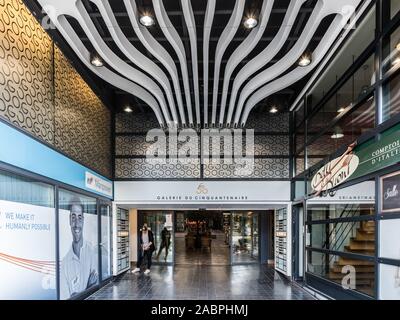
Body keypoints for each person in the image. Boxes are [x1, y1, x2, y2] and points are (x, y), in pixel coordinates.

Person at [60, 198, 98, 299]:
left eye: (79, 217)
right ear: (69, 220)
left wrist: (77, 294)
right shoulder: (64, 264)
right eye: (73, 217)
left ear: (83, 220)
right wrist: (88, 286)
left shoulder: (91, 251)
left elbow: (96, 283)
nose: (76, 224)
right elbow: (67, 298)